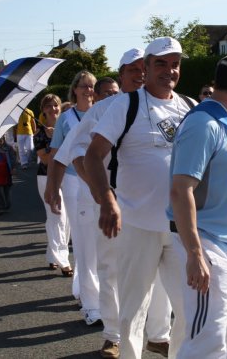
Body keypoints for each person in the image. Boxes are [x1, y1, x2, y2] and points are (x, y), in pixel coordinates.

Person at [49, 48, 174, 359]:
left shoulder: (168, 104)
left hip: (157, 207)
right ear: (122, 74)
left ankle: (158, 334)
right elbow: (75, 151)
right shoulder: (105, 109)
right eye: (132, 70)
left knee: (160, 273)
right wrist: (98, 192)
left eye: (141, 68)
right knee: (112, 270)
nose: (139, 74)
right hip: (111, 203)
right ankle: (114, 335)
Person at [85, 37, 196, 358]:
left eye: (175, 63)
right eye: (160, 63)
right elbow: (93, 156)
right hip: (135, 223)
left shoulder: (189, 107)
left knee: (188, 309)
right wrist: (106, 200)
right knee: (132, 311)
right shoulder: (125, 105)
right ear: (146, 67)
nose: (169, 70)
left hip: (180, 227)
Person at [168, 52, 227, 358]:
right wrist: (196, 254)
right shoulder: (203, 124)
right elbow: (180, 190)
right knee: (205, 344)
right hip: (209, 246)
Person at [48, 70, 99, 325]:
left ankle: (91, 288)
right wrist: (52, 187)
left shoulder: (103, 112)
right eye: (84, 87)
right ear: (75, 90)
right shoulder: (66, 118)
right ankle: (84, 291)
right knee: (79, 233)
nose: (89, 91)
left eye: (92, 86)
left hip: (98, 178)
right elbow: (56, 153)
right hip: (72, 179)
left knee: (97, 237)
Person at [33, 93, 72, 275]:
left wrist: (59, 136)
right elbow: (47, 160)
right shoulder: (39, 135)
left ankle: (52, 255)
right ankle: (63, 260)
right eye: (48, 106)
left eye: (55, 105)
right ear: (43, 110)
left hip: (69, 176)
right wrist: (54, 141)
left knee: (67, 219)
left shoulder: (68, 127)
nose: (53, 109)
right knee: (57, 216)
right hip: (46, 177)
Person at [0, 136, 17, 215]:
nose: (0, 140)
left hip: (7, 171)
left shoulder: (9, 148)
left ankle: (7, 205)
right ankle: (0, 208)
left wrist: (13, 168)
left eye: (2, 138)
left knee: (7, 189)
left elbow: (13, 158)